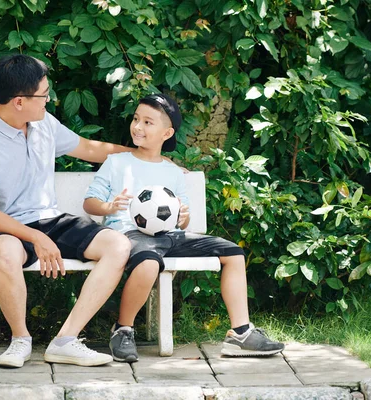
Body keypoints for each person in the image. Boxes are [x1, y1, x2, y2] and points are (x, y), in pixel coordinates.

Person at [83, 93, 285, 363]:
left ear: (167, 132)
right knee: (148, 264)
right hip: (131, 235)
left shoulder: (173, 172)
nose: (138, 127)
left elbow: (183, 218)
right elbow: (89, 202)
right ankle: (123, 329)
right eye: (136, 119)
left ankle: (240, 334)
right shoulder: (117, 162)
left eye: (147, 122)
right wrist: (108, 207)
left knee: (234, 254)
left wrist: (183, 217)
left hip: (171, 236)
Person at [0, 54, 132, 368]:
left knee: (118, 245)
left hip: (49, 219)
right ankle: (20, 340)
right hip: (4, 229)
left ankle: (66, 341)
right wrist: (36, 238)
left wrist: (146, 156)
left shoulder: (44, 124)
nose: (49, 99)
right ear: (18, 102)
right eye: (43, 94)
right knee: (10, 252)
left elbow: (91, 149)